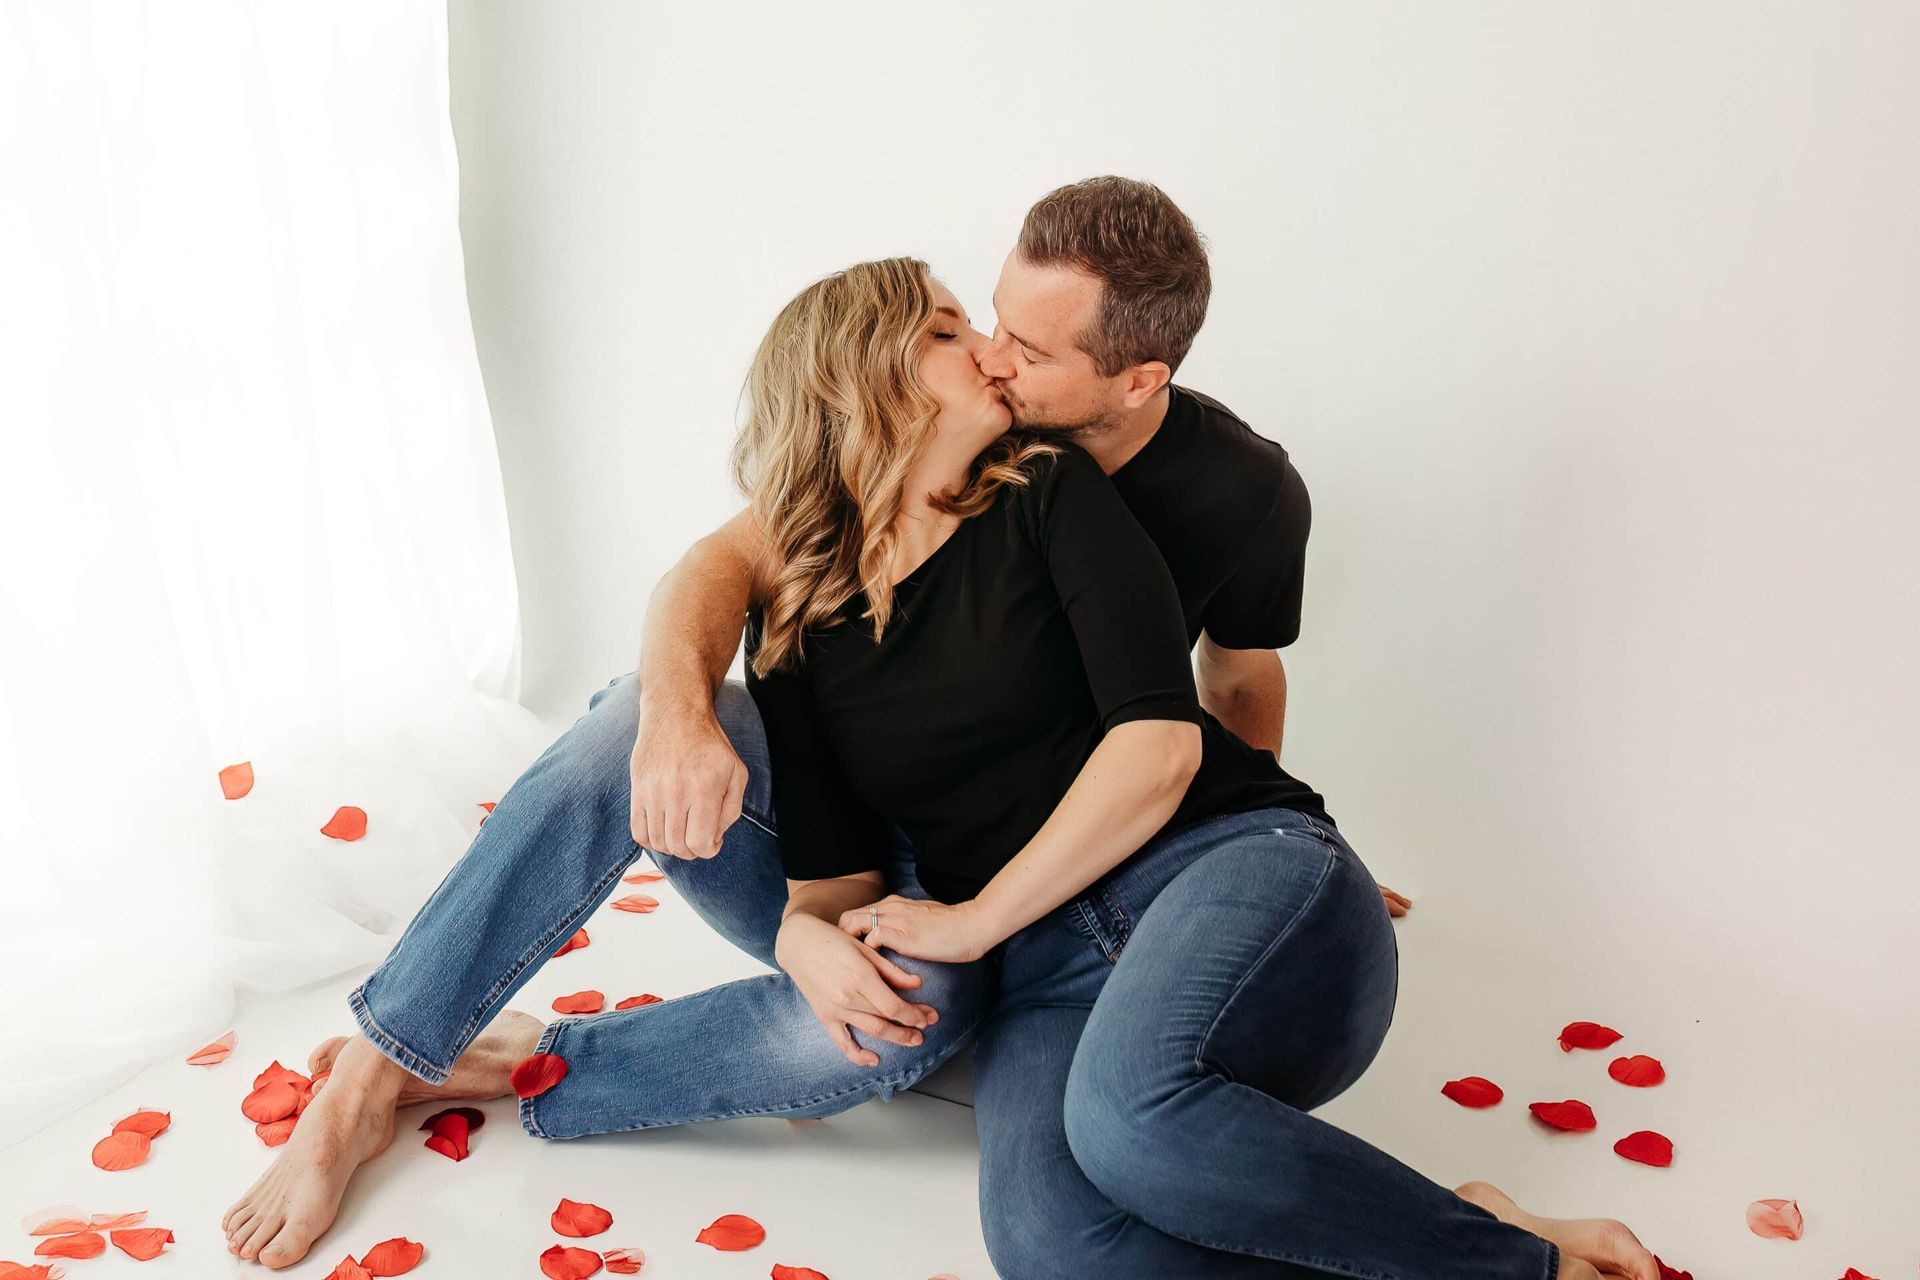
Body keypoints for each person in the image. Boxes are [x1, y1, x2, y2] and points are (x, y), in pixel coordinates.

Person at [219, 194, 1652, 1280]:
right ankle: (405, 1061)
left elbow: (1194, 721)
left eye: (1020, 343)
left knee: (1137, 1122)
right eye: (969, 332)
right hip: (1036, 958)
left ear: (1130, 378)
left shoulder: (1054, 488)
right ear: (880, 390)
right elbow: (817, 834)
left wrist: (976, 921)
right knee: (1053, 1245)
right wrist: (800, 918)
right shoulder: (810, 600)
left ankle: (1517, 1266)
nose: (996, 354)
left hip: (1202, 867)